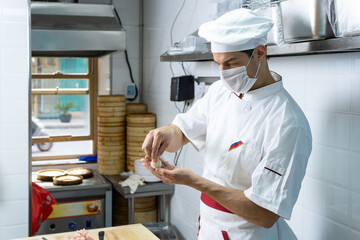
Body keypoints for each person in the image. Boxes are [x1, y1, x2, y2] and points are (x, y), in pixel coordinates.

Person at [141, 8, 312, 240]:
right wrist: (165, 133)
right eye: (217, 63)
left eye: (231, 63)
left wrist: (193, 180)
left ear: (260, 53)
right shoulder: (222, 92)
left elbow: (264, 214)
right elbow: (182, 133)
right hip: (210, 228)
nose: (223, 74)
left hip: (249, 234)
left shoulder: (287, 122)